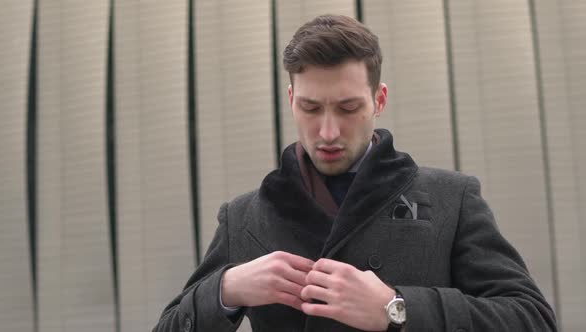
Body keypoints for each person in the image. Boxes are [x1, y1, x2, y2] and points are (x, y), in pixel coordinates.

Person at [153, 14, 556, 332]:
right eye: (311, 108)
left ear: (378, 99)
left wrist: (397, 309)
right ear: (291, 100)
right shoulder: (244, 218)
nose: (328, 132)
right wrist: (227, 289)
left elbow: (532, 319)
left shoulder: (452, 198)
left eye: (348, 108)